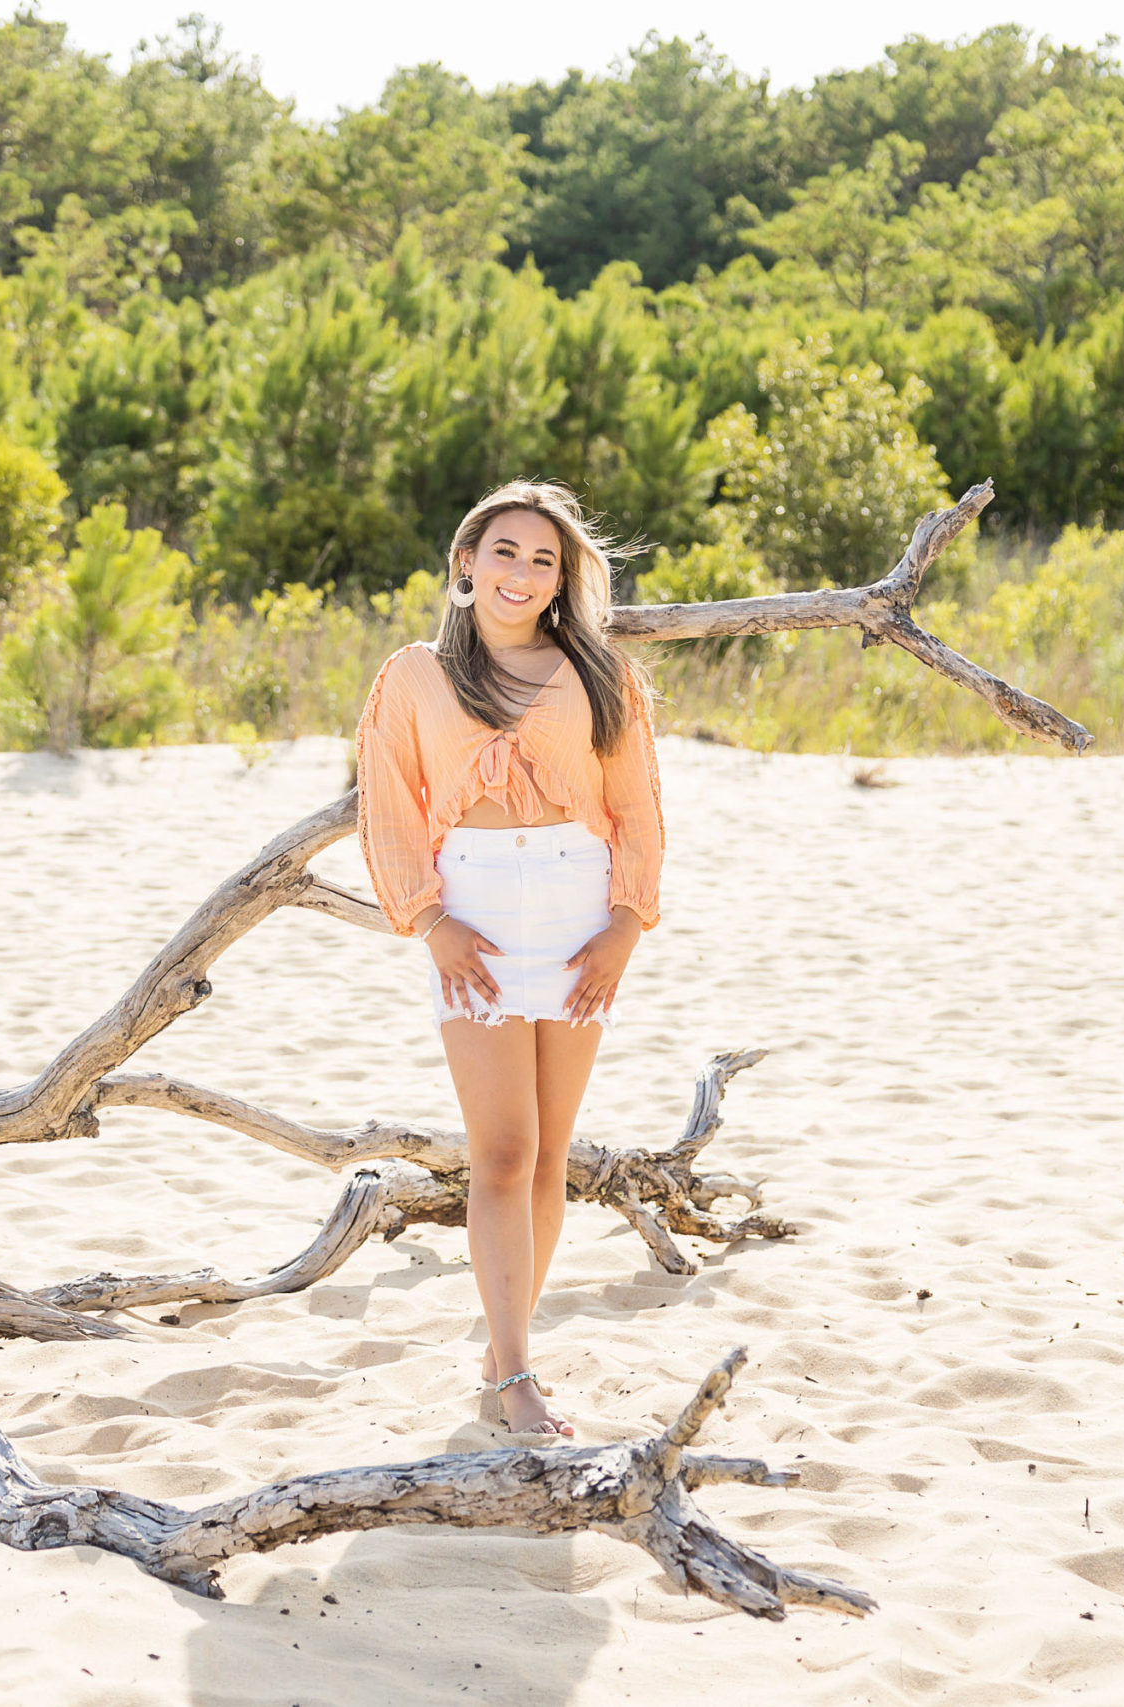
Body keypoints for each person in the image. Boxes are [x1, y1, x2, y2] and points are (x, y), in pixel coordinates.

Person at [353, 481, 664, 1438]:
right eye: (505, 552)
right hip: (474, 908)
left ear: (565, 578)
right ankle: (513, 1379)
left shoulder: (601, 671)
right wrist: (428, 918)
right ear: (465, 563)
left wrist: (626, 921)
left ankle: (505, 1346)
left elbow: (638, 801)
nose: (521, 573)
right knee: (500, 1150)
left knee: (548, 1158)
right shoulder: (413, 675)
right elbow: (387, 802)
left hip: (578, 902)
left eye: (543, 559)